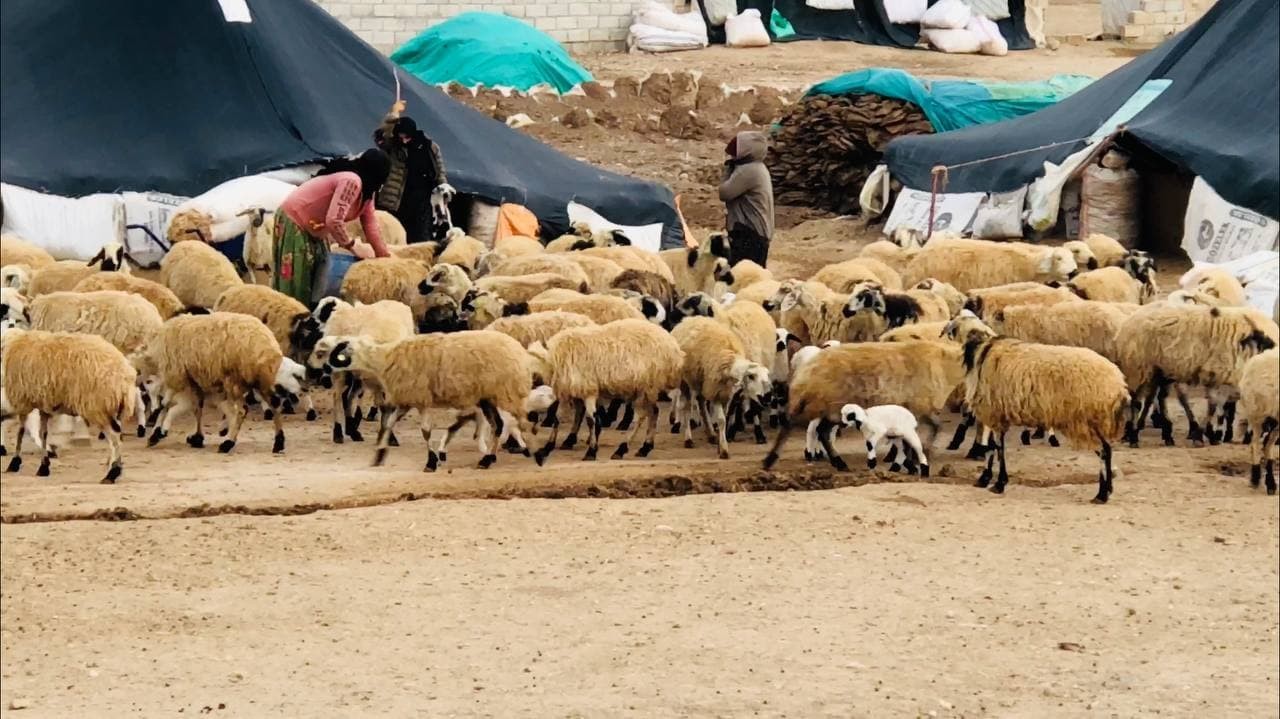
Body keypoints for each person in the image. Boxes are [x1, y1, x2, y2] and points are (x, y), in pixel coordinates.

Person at [272, 148, 392, 304]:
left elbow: (370, 223)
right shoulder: (352, 182)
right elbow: (334, 220)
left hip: (316, 228)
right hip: (296, 220)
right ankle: (292, 318)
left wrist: (382, 254)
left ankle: (311, 315)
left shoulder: (368, 192)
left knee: (318, 275)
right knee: (299, 278)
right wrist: (352, 245)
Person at [373, 99, 449, 243]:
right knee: (391, 236)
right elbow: (382, 133)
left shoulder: (429, 147)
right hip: (395, 200)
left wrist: (443, 188)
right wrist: (394, 113)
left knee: (419, 238)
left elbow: (439, 169)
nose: (404, 141)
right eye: (400, 137)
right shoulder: (393, 146)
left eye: (407, 137)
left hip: (420, 202)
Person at [718, 130, 775, 267]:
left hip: (749, 233)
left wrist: (727, 170)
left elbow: (725, 193)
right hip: (755, 232)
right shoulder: (757, 167)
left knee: (741, 277)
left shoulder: (749, 171)